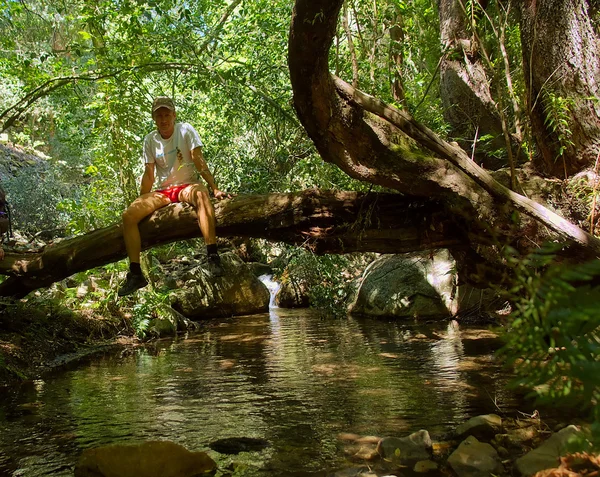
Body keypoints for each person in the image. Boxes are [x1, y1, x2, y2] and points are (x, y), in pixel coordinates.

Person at [118, 96, 229, 297]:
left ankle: (212, 255)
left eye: (167, 114)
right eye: (159, 115)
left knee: (201, 197)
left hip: (188, 186)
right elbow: (149, 174)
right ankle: (135, 273)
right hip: (163, 191)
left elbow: (198, 159)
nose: (163, 119)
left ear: (174, 115)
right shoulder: (150, 140)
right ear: (154, 118)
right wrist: (141, 200)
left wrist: (214, 188)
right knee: (128, 216)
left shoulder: (185, 130)